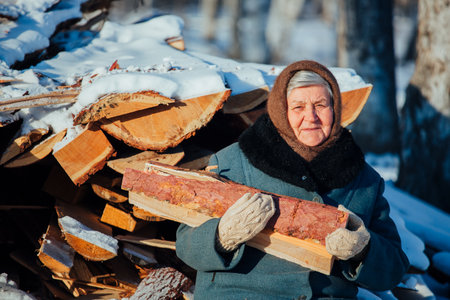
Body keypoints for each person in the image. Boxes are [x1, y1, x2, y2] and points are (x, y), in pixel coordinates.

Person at [176, 60, 409, 299]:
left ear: (335, 108)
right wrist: (222, 235)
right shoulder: (232, 163)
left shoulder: (363, 179)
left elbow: (393, 271)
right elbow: (185, 245)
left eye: (321, 105)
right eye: (298, 107)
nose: (311, 117)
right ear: (281, 111)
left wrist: (363, 251)